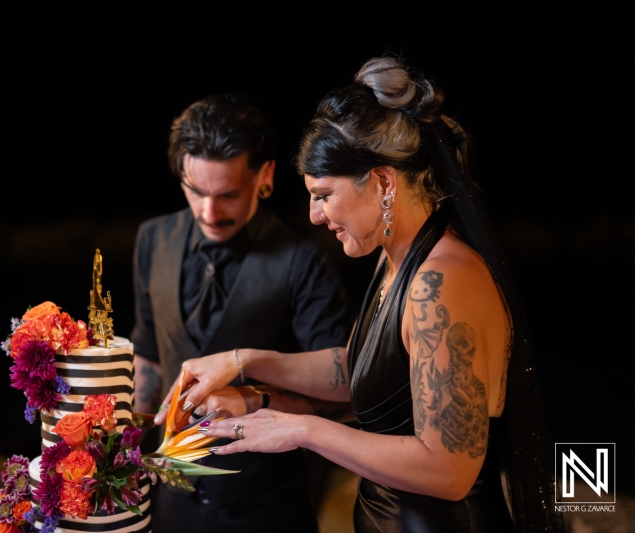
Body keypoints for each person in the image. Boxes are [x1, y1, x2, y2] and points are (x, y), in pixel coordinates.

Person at [154, 57, 566, 532]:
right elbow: (361, 375)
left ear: (383, 183)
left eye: (324, 194)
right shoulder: (395, 257)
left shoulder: (443, 284)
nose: (314, 215)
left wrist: (301, 430)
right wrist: (245, 369)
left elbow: (448, 470)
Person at [130, 92, 354, 533]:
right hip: (171, 501)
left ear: (265, 175)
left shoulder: (304, 257)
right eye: (196, 191)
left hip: (270, 508)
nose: (209, 213)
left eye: (228, 194)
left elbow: (344, 388)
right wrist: (124, 444)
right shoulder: (151, 239)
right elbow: (150, 353)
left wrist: (252, 395)